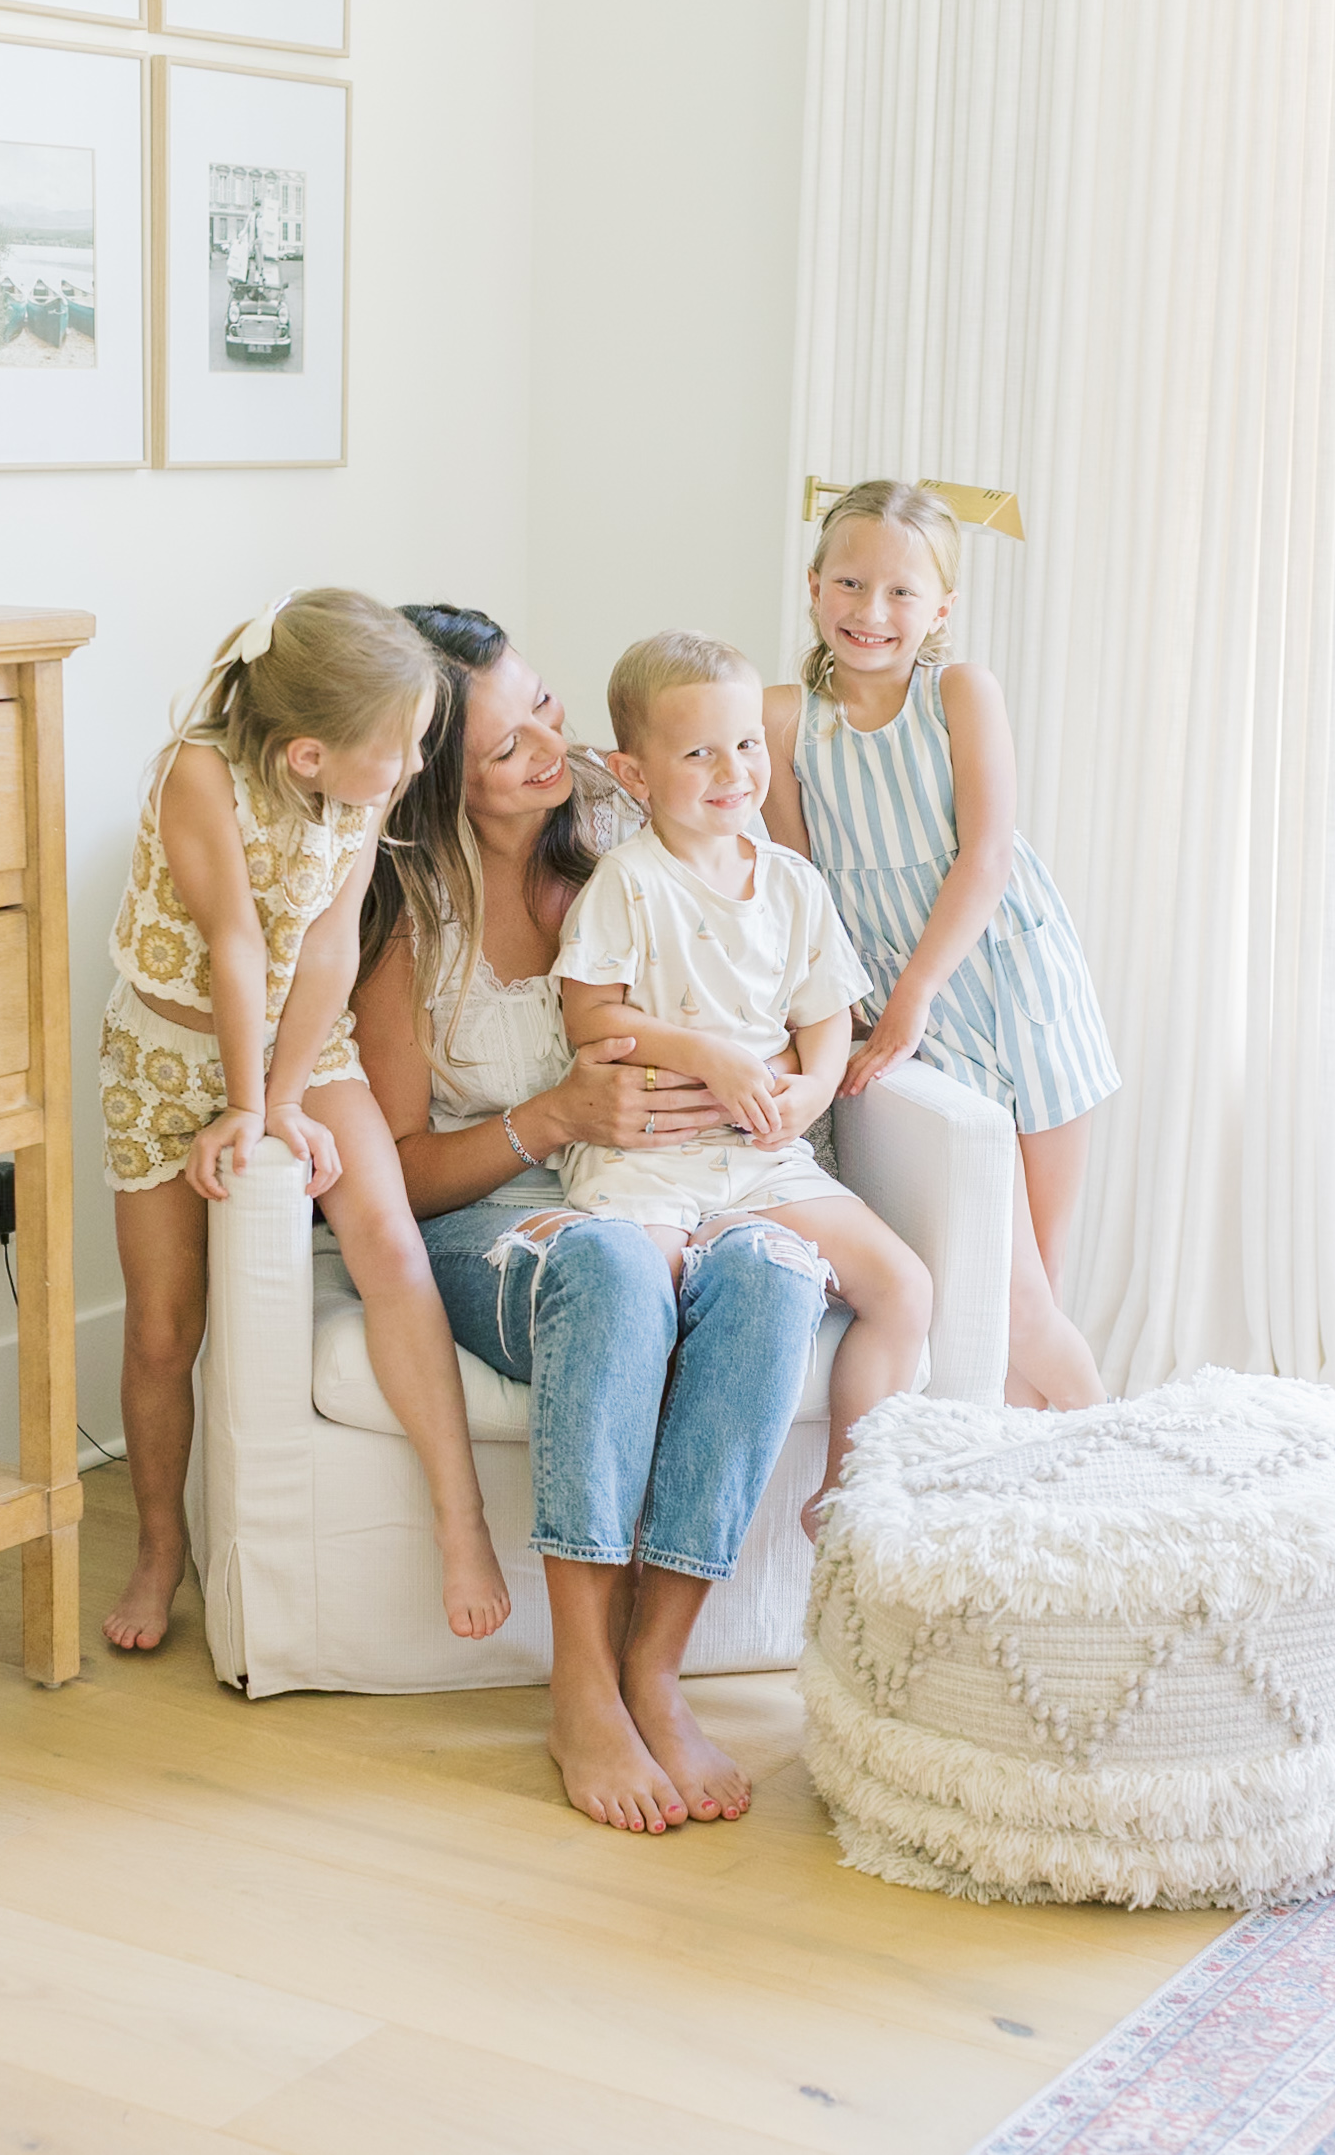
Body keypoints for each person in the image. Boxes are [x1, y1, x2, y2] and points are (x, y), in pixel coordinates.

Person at [354, 604, 830, 1834]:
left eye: (549, 711)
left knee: (779, 1272)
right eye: (508, 745)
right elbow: (396, 1174)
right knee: (616, 1268)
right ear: (433, 770)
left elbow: (771, 967)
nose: (548, 755)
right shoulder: (411, 916)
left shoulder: (630, 844)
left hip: (684, 1182)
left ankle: (654, 1668)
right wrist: (553, 1116)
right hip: (502, 1216)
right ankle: (579, 1679)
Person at [100, 588, 509, 1653]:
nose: (419, 767)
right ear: (306, 756)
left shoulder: (360, 788)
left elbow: (326, 944)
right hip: (169, 1049)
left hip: (301, 1037)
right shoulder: (200, 774)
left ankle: (459, 1516)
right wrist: (241, 1104)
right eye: (407, 745)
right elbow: (235, 940)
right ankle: (156, 1549)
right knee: (160, 1325)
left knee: (386, 1236)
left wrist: (281, 1099)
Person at [553, 630, 933, 1538]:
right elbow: (589, 1019)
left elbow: (825, 1016)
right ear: (634, 774)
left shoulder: (794, 884)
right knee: (636, 1300)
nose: (734, 769)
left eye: (749, 743)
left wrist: (811, 1090)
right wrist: (707, 1054)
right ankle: (635, 1512)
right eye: (699, 752)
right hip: (650, 1158)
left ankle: (845, 1489)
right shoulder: (628, 883)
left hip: (762, 1158)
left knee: (904, 1286)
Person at [764, 479, 1120, 1412]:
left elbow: (989, 854)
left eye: (900, 593)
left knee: (1037, 1289)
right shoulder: (785, 719)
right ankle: (1110, 1460)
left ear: (941, 609)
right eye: (848, 584)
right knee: (1007, 1297)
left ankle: (1068, 1490)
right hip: (899, 1002)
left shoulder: (958, 691)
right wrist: (848, 1013)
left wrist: (917, 990)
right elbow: (799, 889)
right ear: (812, 586)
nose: (870, 611)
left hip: (1014, 983)